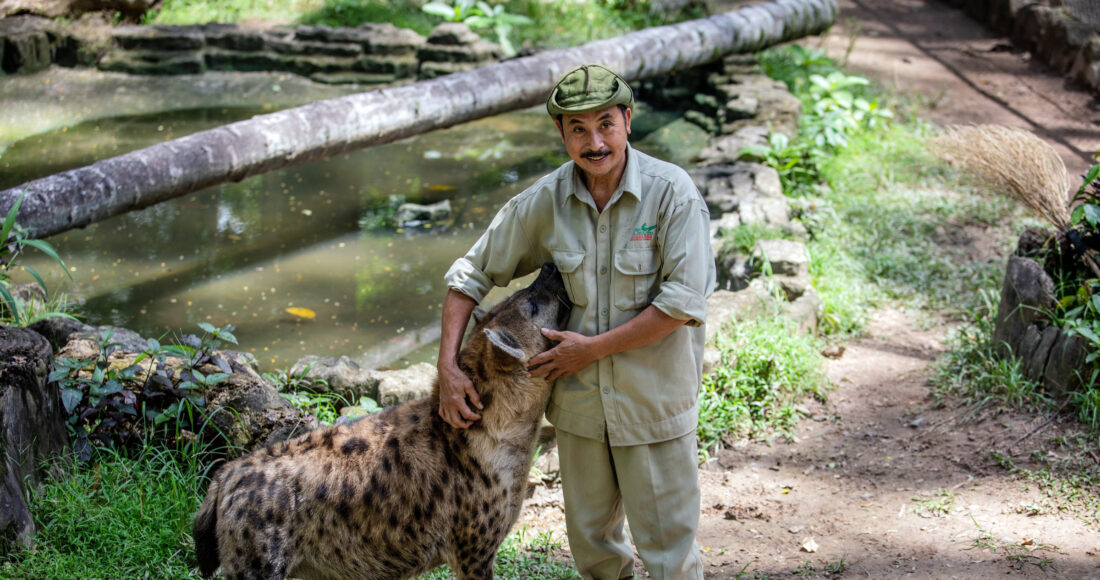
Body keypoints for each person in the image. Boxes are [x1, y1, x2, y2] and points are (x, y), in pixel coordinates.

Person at [437, 63, 715, 580]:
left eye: (605, 124)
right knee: (594, 552)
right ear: (561, 133)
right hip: (582, 410)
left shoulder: (672, 193)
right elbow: (468, 275)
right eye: (578, 129)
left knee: (668, 553)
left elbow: (682, 302)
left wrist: (591, 349)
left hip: (651, 405)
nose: (594, 142)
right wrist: (448, 370)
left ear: (627, 121)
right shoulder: (546, 200)